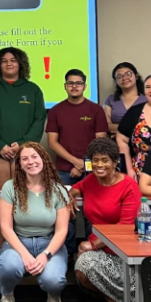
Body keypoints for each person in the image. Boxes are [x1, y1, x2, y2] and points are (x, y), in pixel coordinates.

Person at [0, 47, 46, 267]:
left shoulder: (33, 89)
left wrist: (22, 146)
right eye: (4, 61)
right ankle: (1, 249)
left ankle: (24, 249)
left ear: (20, 64)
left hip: (26, 154)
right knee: (3, 202)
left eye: (13, 60)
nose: (8, 64)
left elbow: (38, 120)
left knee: (26, 201)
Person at [0, 142, 69, 302]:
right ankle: (7, 295)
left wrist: (45, 255)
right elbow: (5, 227)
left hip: (49, 242)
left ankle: (53, 295)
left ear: (43, 159)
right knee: (8, 267)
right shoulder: (10, 187)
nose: (31, 162)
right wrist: (25, 255)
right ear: (20, 164)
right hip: (19, 242)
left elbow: (61, 231)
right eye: (25, 159)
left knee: (53, 280)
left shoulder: (58, 190)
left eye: (35, 156)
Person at [72, 138, 141, 302]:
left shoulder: (128, 186)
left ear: (115, 162)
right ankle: (114, 298)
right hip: (99, 249)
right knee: (82, 268)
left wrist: (93, 244)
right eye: (95, 160)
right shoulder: (90, 180)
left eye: (105, 160)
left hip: (122, 251)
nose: (99, 165)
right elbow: (75, 189)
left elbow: (126, 227)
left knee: (86, 260)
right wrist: (69, 197)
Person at [46, 69, 108, 256]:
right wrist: (75, 162)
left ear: (85, 86)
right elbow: (52, 142)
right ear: (65, 86)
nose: (74, 86)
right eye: (70, 83)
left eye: (78, 83)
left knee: (92, 214)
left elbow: (101, 142)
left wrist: (84, 164)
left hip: (93, 171)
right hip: (64, 171)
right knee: (66, 215)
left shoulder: (95, 109)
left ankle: (93, 256)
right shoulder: (57, 110)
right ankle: (67, 257)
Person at [103, 62, 147, 136]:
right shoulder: (110, 100)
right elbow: (105, 125)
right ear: (116, 81)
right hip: (115, 143)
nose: (124, 78)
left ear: (136, 76)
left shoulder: (147, 100)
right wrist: (134, 128)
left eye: (128, 74)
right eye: (119, 76)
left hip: (142, 143)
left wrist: (121, 132)